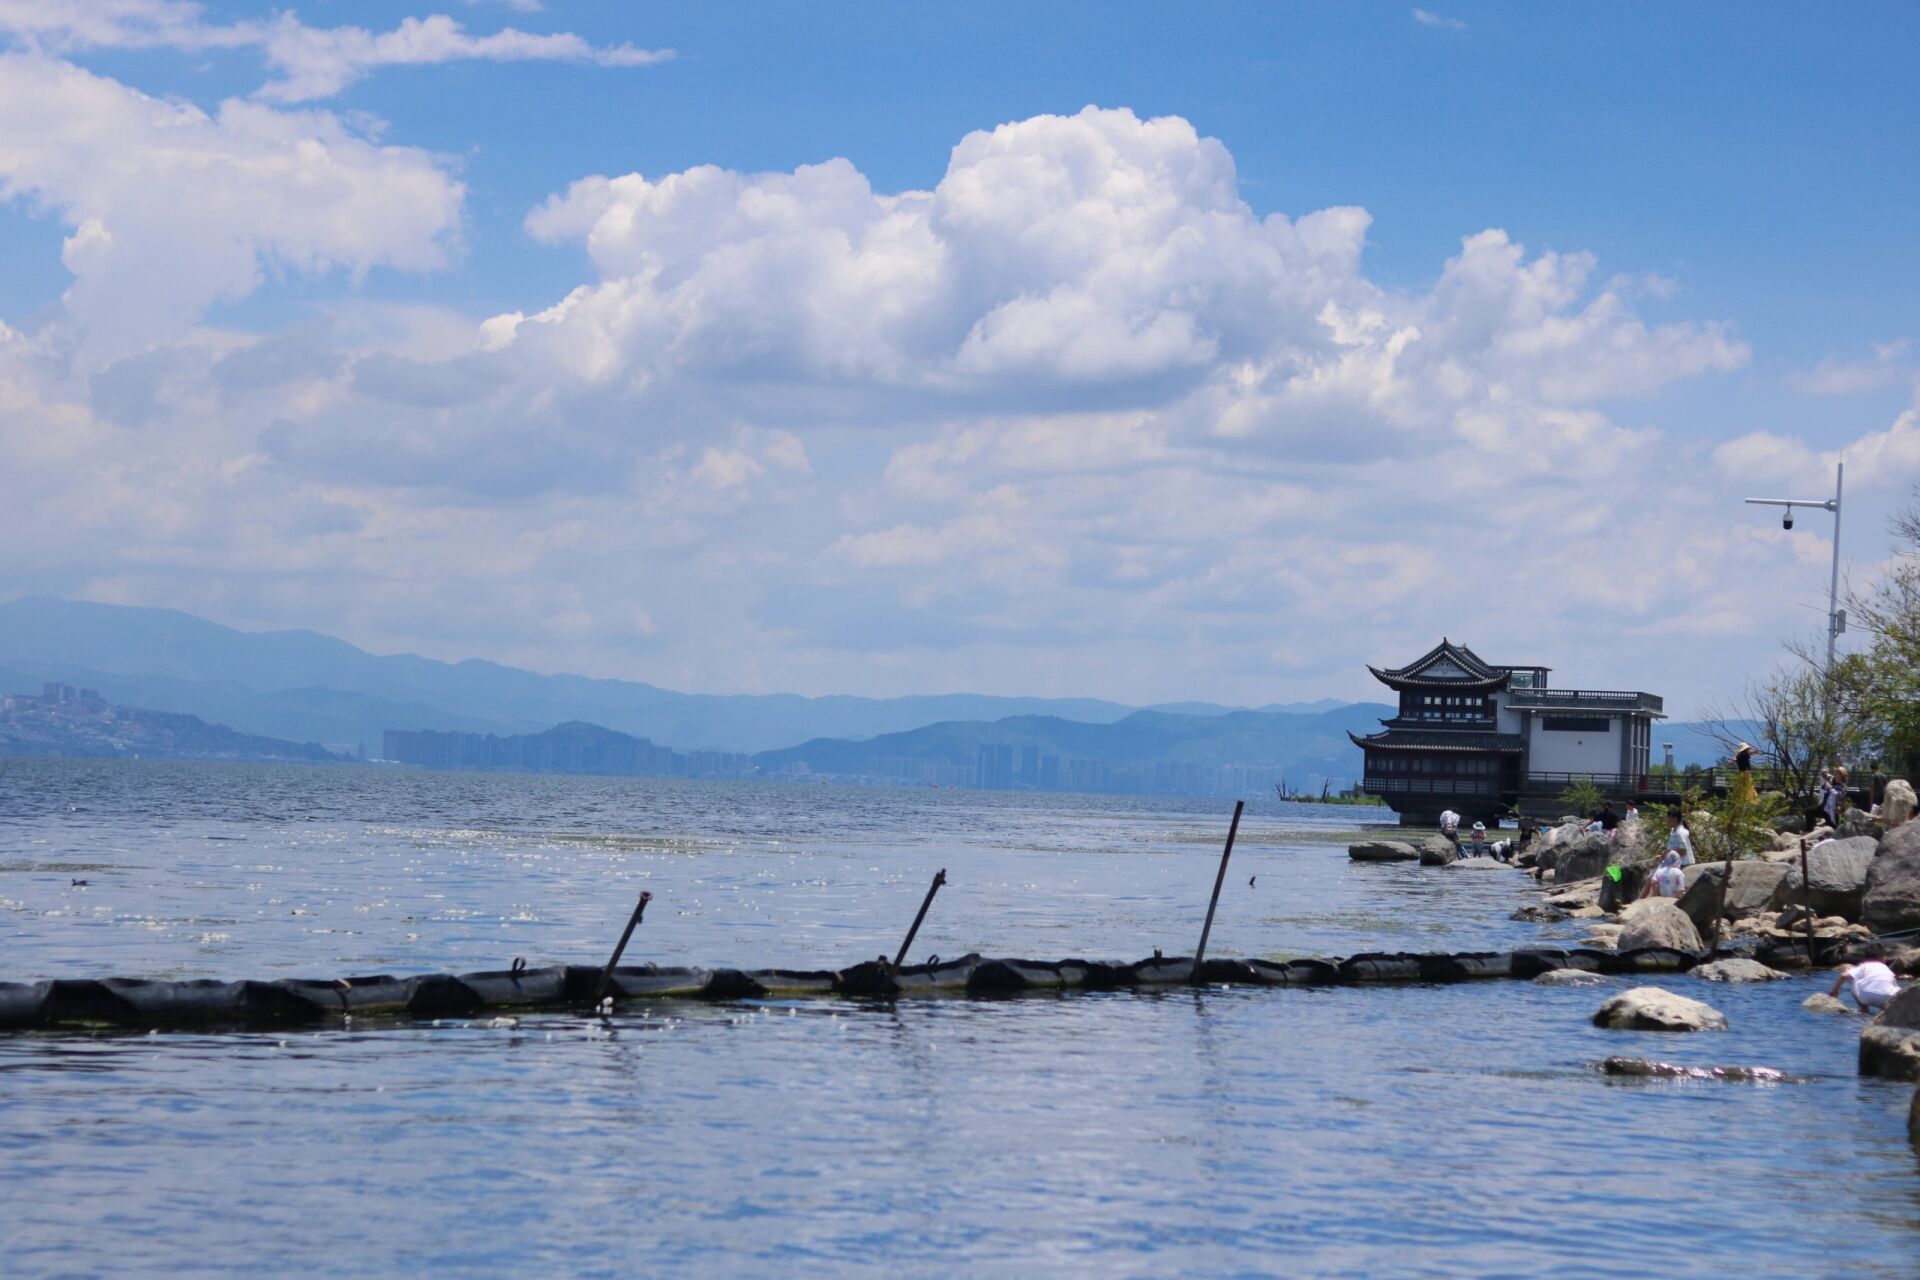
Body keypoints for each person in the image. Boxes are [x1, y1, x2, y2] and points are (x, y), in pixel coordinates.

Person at [1829, 950, 1902, 1013]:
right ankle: (1884, 1013)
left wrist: (1834, 991)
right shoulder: (1887, 969)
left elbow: (1844, 976)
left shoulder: (1865, 965)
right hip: (1888, 998)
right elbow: (1894, 983)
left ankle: (1864, 1009)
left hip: (1865, 997)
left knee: (1854, 979)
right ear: (1883, 959)